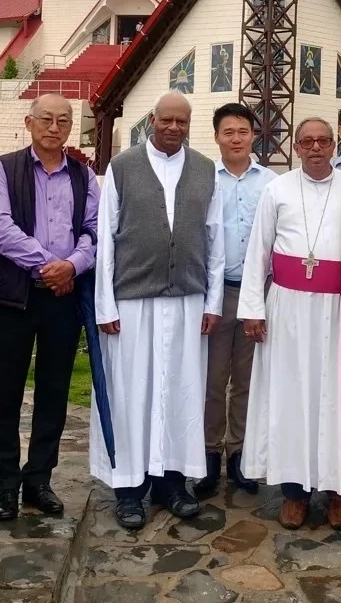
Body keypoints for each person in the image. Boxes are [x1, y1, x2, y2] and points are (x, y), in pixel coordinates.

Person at [91, 91, 225, 529]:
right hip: (131, 302)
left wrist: (214, 301)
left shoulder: (206, 170)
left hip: (187, 300)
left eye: (181, 122)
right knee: (133, 392)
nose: (172, 128)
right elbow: (106, 239)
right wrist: (105, 304)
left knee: (179, 391)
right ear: (152, 120)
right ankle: (129, 489)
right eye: (165, 120)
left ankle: (171, 483)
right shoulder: (123, 167)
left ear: (190, 125)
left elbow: (215, 241)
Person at [239, 116, 341, 530]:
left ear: (334, 145)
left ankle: (339, 492)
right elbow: (258, 251)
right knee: (291, 398)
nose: (315, 147)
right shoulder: (277, 189)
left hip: (338, 311)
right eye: (307, 141)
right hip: (288, 309)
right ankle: (294, 491)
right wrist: (253, 309)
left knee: (336, 399)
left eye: (323, 140)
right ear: (296, 147)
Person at [0, 93, 97, 522]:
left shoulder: (84, 177)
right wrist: (48, 265)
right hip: (14, 295)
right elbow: (0, 229)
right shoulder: (4, 168)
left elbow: (93, 232)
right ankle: (6, 485)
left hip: (63, 299)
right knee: (5, 391)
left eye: (63, 120)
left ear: (71, 127)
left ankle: (39, 478)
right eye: (46, 119)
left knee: (54, 391)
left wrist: (71, 265)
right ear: (29, 123)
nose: (54, 126)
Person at [195, 102, 276, 499]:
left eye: (243, 131)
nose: (236, 138)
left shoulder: (271, 182)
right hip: (218, 292)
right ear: (217, 137)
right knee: (213, 380)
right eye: (228, 132)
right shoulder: (205, 179)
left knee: (247, 380)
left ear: (253, 135)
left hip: (256, 293)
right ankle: (209, 456)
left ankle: (239, 457)